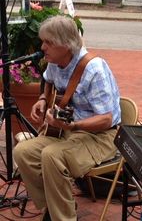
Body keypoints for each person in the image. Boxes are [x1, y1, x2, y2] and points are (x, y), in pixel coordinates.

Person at [13, 15, 121, 221]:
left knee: (52, 156)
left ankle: (64, 218)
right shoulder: (55, 61)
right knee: (23, 152)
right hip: (66, 132)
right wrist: (43, 99)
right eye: (42, 41)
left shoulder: (94, 69)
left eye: (48, 42)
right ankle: (53, 210)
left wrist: (74, 124)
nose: (42, 47)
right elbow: (48, 81)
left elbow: (107, 119)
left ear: (67, 44)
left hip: (101, 137)